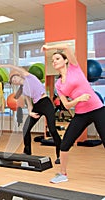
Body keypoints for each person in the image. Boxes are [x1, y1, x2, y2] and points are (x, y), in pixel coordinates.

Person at [41, 43, 105, 183]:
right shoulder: (58, 84)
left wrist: (49, 48)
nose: (54, 61)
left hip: (97, 109)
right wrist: (79, 99)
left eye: (57, 59)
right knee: (65, 144)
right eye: (52, 60)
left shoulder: (74, 69)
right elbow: (66, 105)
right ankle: (62, 174)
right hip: (81, 114)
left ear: (65, 60)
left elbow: (66, 47)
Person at [0, 64, 62, 163]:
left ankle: (60, 155)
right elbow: (29, 104)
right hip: (37, 106)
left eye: (14, 78)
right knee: (25, 129)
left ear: (19, 75)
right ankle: (27, 151)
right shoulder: (24, 89)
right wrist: (30, 112)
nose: (14, 81)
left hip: (46, 103)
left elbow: (13, 66)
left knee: (53, 130)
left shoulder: (29, 77)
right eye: (12, 82)